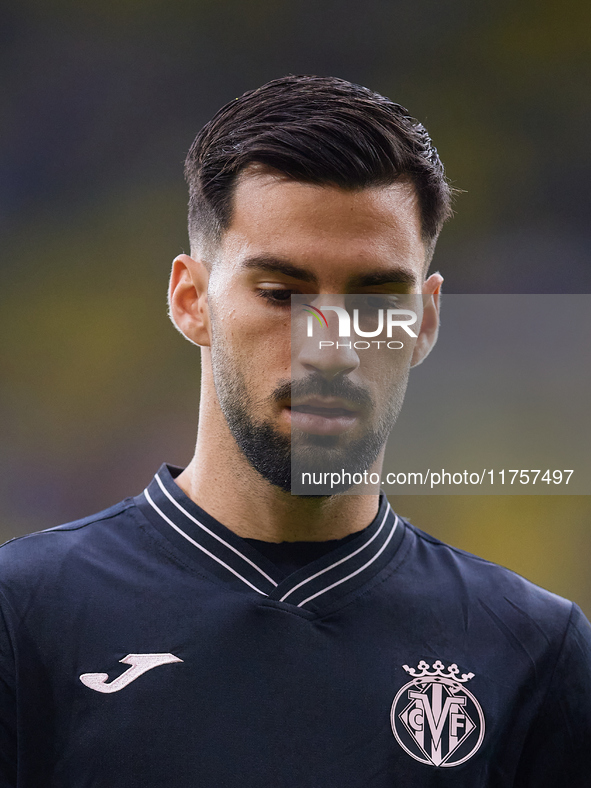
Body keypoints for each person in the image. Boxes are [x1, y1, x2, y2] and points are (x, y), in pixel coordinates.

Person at [0, 75, 589, 787]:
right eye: (282, 294)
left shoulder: (534, 648)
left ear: (425, 322)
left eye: (375, 298)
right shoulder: (25, 614)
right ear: (191, 300)